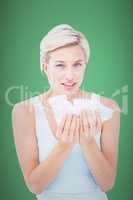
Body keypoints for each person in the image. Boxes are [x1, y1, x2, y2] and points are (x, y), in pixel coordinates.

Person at [12, 24, 121, 200]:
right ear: (45, 66)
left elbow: (107, 183)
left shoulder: (108, 108)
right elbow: (35, 186)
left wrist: (88, 143)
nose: (70, 76)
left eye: (77, 64)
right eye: (60, 65)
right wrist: (65, 145)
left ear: (85, 64)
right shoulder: (25, 111)